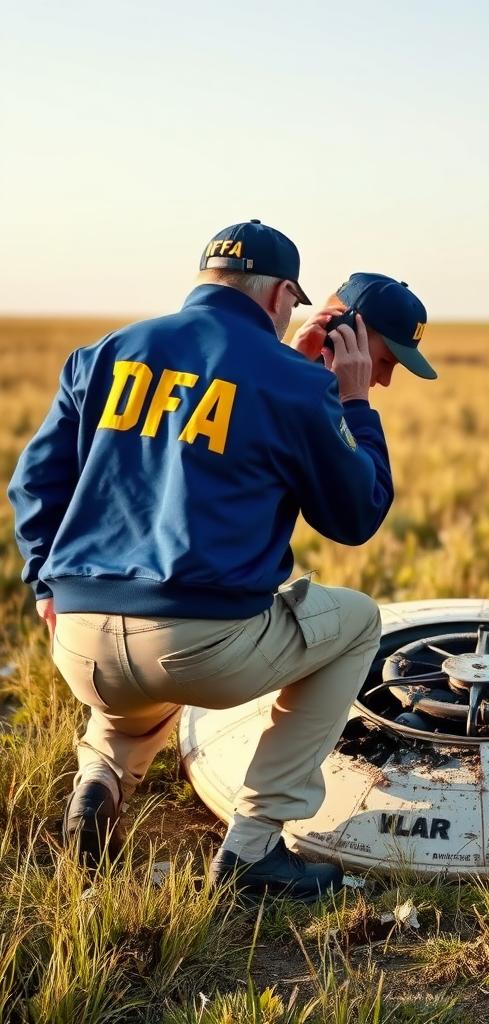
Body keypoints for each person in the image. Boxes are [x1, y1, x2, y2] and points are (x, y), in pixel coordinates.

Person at [7, 220, 435, 901]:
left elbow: (32, 485)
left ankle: (100, 783)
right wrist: (350, 401)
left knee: (146, 634)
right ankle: (254, 850)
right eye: (385, 360)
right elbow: (355, 518)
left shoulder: (107, 351)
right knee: (355, 621)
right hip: (197, 650)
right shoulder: (298, 384)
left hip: (78, 640)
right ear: (282, 296)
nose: (384, 376)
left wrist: (43, 587)